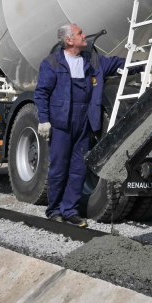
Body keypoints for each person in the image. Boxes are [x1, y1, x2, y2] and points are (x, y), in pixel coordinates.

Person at [35, 23, 127, 227]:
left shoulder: (92, 60)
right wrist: (44, 120)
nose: (84, 36)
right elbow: (41, 93)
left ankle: (70, 211)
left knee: (78, 169)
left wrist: (144, 63)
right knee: (59, 168)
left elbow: (117, 63)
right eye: (79, 34)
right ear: (69, 40)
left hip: (84, 122)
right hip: (61, 123)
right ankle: (54, 210)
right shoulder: (52, 63)